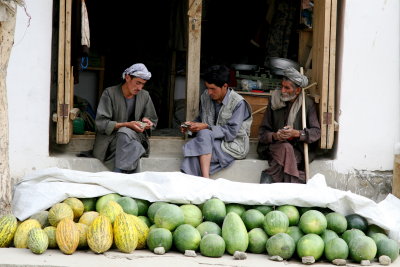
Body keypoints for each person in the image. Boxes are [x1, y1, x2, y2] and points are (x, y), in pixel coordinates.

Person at [180, 65, 253, 178]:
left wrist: (206, 128)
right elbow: (201, 119)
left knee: (195, 150)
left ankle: (202, 180)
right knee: (200, 142)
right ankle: (204, 181)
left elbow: (231, 132)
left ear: (225, 86)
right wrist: (191, 126)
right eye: (207, 88)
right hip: (209, 142)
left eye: (213, 89)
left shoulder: (238, 103)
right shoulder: (205, 96)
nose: (209, 92)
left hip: (231, 145)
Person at [258, 67, 321, 183]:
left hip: (297, 149)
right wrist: (276, 136)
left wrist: (297, 133)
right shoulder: (274, 101)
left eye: (287, 88)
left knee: (286, 153)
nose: (282, 91)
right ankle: (297, 180)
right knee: (285, 148)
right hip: (274, 147)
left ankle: (268, 178)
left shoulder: (307, 104)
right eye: (282, 86)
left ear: (297, 90)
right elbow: (262, 133)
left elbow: (316, 132)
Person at [92, 63, 158, 173]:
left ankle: (118, 175)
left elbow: (152, 120)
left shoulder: (145, 96)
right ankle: (130, 175)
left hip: (135, 136)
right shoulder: (109, 93)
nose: (140, 88)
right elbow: (101, 123)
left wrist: (147, 122)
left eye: (143, 84)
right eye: (137, 83)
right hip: (112, 140)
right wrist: (126, 125)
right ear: (127, 77)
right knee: (129, 140)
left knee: (125, 134)